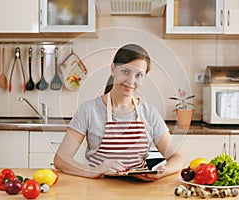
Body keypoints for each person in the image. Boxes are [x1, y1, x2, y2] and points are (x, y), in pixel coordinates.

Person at [54, 44, 185, 181]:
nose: (131, 81)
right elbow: (61, 158)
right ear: (113, 69)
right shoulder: (89, 110)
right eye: (125, 71)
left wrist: (162, 172)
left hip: (137, 189)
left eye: (139, 75)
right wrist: (94, 171)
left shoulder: (149, 113)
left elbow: (177, 157)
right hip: (97, 189)